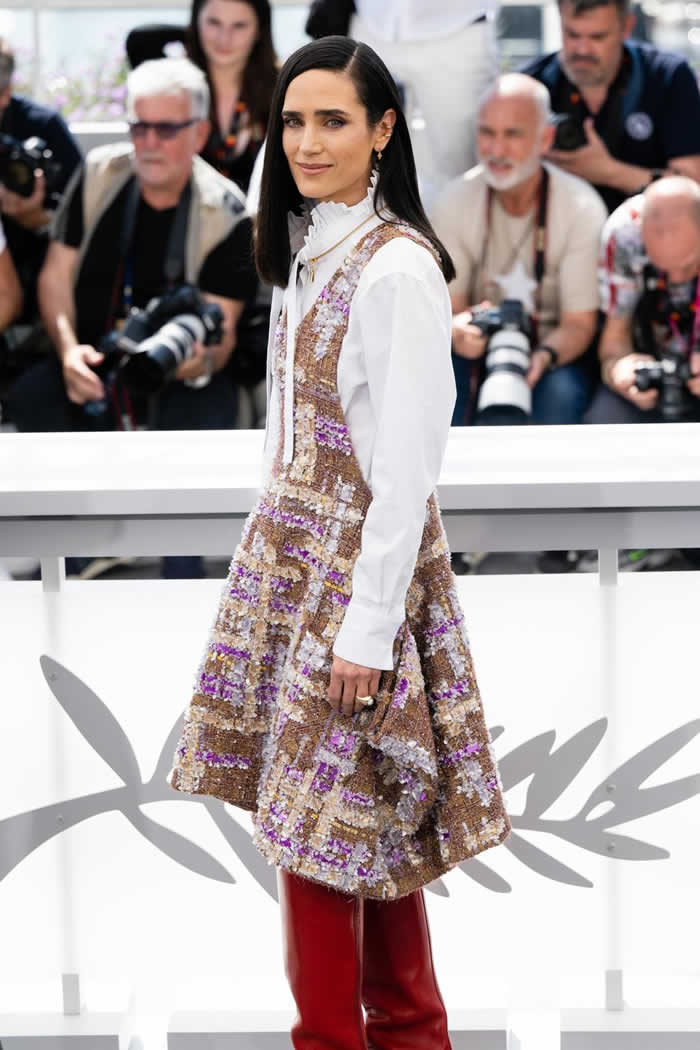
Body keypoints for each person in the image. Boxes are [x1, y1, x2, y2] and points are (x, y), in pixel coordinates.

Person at [168, 35, 510, 1049]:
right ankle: (407, 1034)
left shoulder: (396, 268)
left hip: (357, 580)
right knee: (358, 830)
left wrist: (365, 628)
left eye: (334, 121)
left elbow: (405, 472)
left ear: (382, 131)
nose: (308, 143)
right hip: (291, 566)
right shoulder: (305, 251)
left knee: (320, 838)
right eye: (293, 121)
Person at [8, 57, 257, 577]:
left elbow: (224, 336)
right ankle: (75, 554)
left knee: (200, 413)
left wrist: (184, 360)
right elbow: (56, 276)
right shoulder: (101, 173)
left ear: (199, 133)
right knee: (34, 393)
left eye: (166, 129)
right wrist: (69, 351)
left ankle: (182, 576)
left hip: (182, 376)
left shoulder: (227, 212)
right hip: (95, 358)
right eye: (139, 127)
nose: (148, 143)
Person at [432, 73, 607, 427]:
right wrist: (459, 330)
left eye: (512, 134)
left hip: (552, 352)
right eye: (487, 133)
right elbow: (451, 308)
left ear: (546, 139)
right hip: (476, 351)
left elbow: (579, 324)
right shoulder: (453, 200)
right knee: (440, 380)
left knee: (560, 393)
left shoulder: (581, 206)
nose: (496, 150)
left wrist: (543, 356)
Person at [306, 0, 500, 208]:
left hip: (458, 28)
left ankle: (459, 228)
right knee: (362, 159)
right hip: (370, 25)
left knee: (463, 165)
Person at [522, 0, 700, 214]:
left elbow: (691, 187)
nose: (582, 49)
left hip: (647, 227)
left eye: (597, 37)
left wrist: (609, 172)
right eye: (572, 34)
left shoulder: (667, 77)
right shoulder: (529, 85)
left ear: (627, 27)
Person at [126, 0, 277, 194]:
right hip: (188, 210)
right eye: (214, 23)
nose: (224, 39)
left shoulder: (281, 87)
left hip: (259, 212)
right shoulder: (178, 87)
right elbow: (139, 40)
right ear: (196, 22)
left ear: (259, 30)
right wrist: (193, 35)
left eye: (239, 26)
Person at [0, 38, 81, 324]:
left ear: (6, 93)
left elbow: (84, 218)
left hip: (37, 281)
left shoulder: (45, 127)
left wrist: (36, 219)